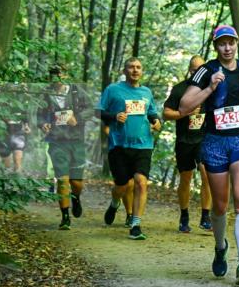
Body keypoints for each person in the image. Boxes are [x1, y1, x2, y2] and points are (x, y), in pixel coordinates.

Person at [178, 25, 239, 286]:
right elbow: (184, 107)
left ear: (237, 43)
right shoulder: (206, 71)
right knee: (219, 206)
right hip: (215, 141)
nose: (227, 48)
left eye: (231, 43)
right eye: (222, 44)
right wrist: (209, 88)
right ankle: (220, 247)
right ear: (215, 45)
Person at [97, 57, 162, 240]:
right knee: (122, 186)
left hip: (143, 145)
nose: (135, 70)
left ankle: (135, 224)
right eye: (131, 67)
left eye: (138, 67)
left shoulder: (146, 92)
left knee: (141, 181)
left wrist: (156, 123)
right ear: (125, 71)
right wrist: (114, 116)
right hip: (119, 144)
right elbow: (99, 111)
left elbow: (153, 115)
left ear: (142, 71)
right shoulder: (113, 90)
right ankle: (114, 202)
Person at [38, 64, 92, 230]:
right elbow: (39, 115)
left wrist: (78, 117)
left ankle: (76, 197)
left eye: (59, 73)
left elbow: (91, 109)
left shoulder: (76, 92)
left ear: (65, 74)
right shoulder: (45, 94)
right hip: (56, 142)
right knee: (62, 179)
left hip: (76, 141)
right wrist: (43, 124)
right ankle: (65, 216)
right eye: (52, 73)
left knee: (76, 182)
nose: (56, 76)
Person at [163, 55, 213, 233]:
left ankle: (206, 217)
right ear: (190, 71)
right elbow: (166, 113)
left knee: (207, 175)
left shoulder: (211, 89)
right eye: (194, 70)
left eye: (202, 70)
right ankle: (184, 216)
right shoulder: (180, 89)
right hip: (185, 140)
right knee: (186, 178)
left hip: (204, 139)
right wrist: (185, 112)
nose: (198, 73)